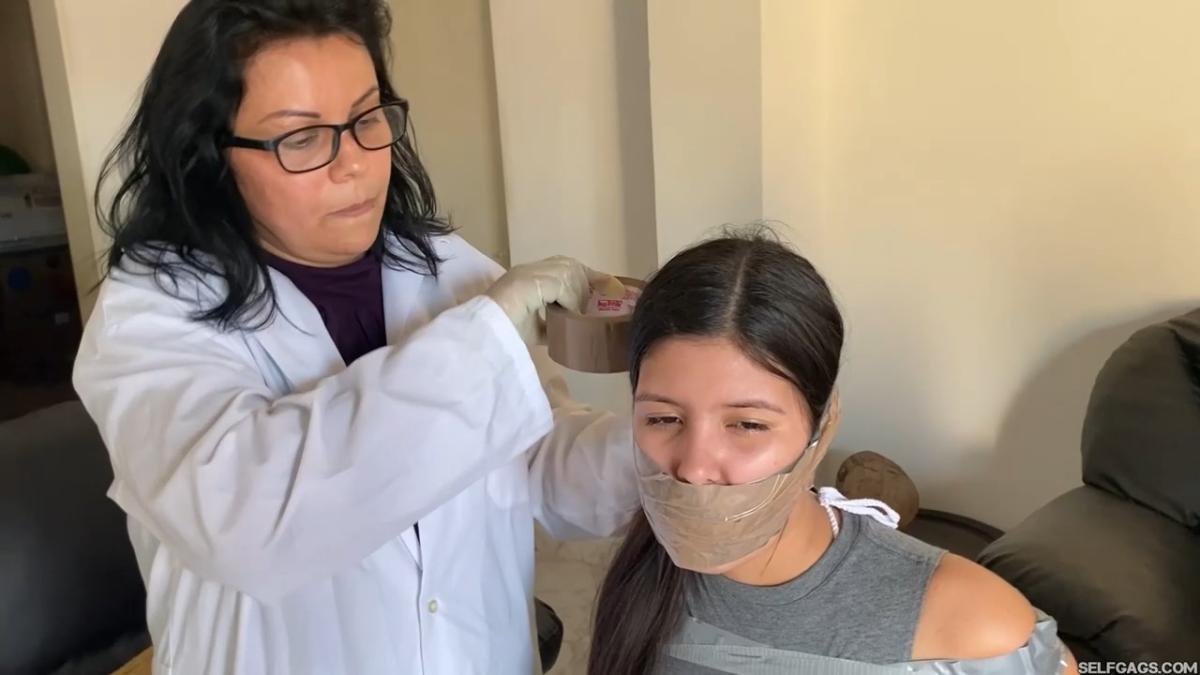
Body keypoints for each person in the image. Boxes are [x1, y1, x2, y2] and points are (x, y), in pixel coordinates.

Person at [72, 1, 638, 673]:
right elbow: (251, 524)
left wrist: (664, 451)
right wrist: (486, 342)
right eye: (302, 138)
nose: (355, 165)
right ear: (210, 155)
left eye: (367, 119)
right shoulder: (148, 319)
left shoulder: (445, 268)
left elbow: (536, 460)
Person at [588, 229, 1079, 674]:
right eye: (663, 419)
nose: (694, 468)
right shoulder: (641, 576)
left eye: (748, 425)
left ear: (820, 427)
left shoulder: (975, 625)